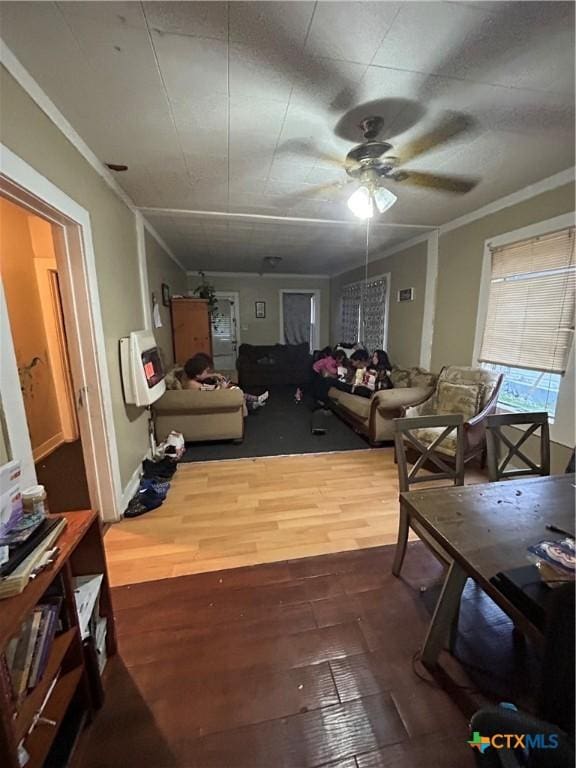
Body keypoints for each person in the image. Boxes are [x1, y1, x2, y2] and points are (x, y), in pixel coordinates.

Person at [183, 355, 268, 412]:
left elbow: (207, 386)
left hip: (210, 396)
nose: (207, 373)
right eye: (205, 372)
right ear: (198, 374)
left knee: (233, 388)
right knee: (235, 390)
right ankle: (254, 401)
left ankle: (254, 401)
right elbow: (212, 395)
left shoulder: (192, 380)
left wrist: (214, 377)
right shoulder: (193, 385)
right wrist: (222, 387)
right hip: (211, 401)